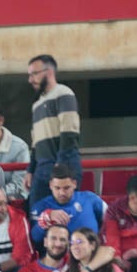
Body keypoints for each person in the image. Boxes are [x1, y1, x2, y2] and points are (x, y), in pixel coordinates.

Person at [26, 55, 82, 203]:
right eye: (29, 75)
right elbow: (35, 142)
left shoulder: (63, 93)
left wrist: (61, 165)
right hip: (42, 167)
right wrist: (31, 170)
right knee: (36, 212)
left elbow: (69, 132)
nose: (30, 80)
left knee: (67, 212)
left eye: (34, 74)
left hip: (64, 164)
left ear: (49, 72)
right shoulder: (36, 104)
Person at [30, 165, 106, 246]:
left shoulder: (90, 199)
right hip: (58, 252)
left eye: (66, 188)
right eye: (57, 188)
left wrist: (103, 244)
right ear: (51, 185)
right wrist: (45, 220)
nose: (62, 193)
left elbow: (111, 221)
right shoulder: (40, 206)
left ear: (74, 184)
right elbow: (34, 239)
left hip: (92, 251)